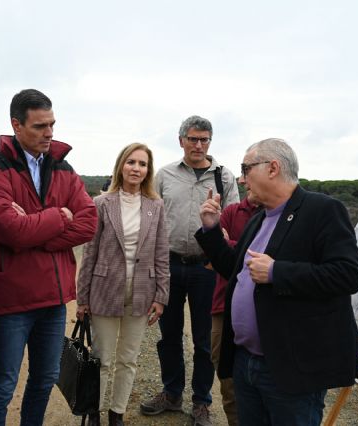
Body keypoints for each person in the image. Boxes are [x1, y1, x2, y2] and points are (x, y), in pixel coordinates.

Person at [195, 138, 358, 426]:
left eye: (246, 168)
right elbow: (234, 269)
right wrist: (211, 229)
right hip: (246, 362)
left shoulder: (322, 210)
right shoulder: (260, 219)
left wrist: (277, 272)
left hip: (289, 368)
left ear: (273, 168)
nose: (241, 178)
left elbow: (348, 274)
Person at [0, 88, 97, 426]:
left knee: (44, 379)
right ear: (16, 124)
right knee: (2, 385)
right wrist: (58, 217)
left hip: (53, 300)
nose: (50, 133)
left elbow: (88, 224)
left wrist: (31, 230)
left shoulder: (64, 168)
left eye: (52, 124)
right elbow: (10, 230)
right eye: (41, 126)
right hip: (11, 300)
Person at [141, 115, 239, 426]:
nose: (199, 145)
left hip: (207, 268)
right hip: (169, 264)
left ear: (210, 142)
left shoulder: (225, 177)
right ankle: (171, 394)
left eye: (204, 139)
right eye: (193, 139)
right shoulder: (165, 175)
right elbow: (150, 217)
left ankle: (201, 402)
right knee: (168, 335)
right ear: (181, 140)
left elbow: (234, 219)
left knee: (204, 340)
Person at [77, 143, 170, 426]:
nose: (136, 168)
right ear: (121, 166)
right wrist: (82, 298)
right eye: (131, 162)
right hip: (105, 290)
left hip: (142, 292)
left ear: (148, 171)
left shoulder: (156, 205)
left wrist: (162, 295)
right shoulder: (102, 204)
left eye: (142, 164)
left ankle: (116, 413)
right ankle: (94, 411)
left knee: (128, 360)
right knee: (102, 358)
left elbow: (161, 252)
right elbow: (89, 253)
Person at [211, 189, 262, 426]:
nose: (247, 180)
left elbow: (272, 257)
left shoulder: (281, 215)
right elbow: (213, 255)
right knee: (225, 369)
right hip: (224, 304)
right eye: (246, 174)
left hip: (264, 309)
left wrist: (231, 244)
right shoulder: (232, 211)